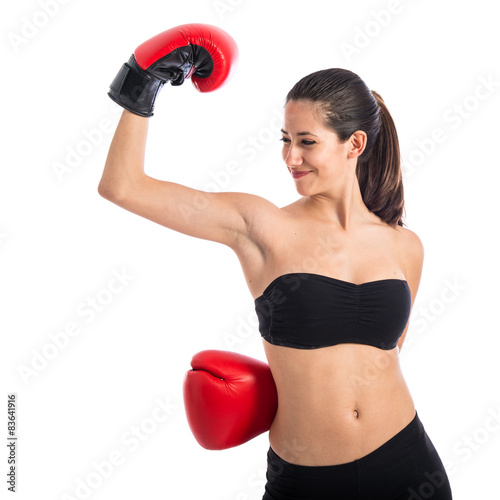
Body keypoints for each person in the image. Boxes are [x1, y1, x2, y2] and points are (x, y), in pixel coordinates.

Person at [99, 26, 452, 499]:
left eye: (307, 142)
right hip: (306, 481)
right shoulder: (261, 225)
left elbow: (382, 359)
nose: (290, 157)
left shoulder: (405, 247)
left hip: (407, 464)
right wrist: (142, 84)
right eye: (285, 139)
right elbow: (123, 186)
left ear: (355, 145)